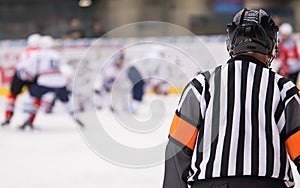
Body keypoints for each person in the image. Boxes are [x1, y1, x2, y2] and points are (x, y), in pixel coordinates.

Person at [163, 8, 300, 188]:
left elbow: (177, 149)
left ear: (231, 44)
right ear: (271, 45)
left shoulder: (201, 86)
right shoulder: (284, 89)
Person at [18, 35, 83, 129]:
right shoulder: (56, 54)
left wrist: (26, 75)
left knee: (29, 97)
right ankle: (75, 116)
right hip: (59, 81)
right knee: (66, 100)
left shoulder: (38, 53)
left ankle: (26, 119)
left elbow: (30, 68)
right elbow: (62, 68)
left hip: (44, 81)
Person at [1, 33, 41, 126]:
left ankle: (8, 116)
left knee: (12, 96)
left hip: (19, 74)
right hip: (33, 76)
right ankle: (30, 119)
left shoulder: (25, 51)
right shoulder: (41, 52)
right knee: (36, 97)